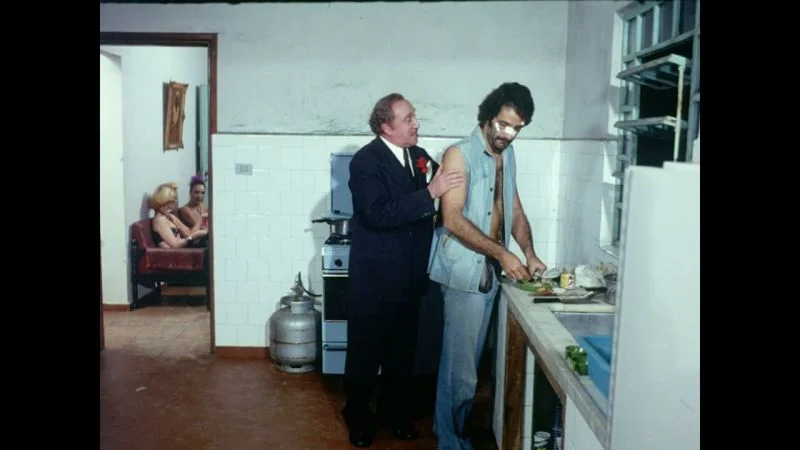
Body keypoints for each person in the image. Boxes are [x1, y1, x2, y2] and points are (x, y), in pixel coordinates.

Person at [427, 82, 547, 450]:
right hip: (465, 272)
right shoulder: (459, 155)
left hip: (490, 272)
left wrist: (529, 252)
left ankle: (452, 433)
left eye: (516, 128)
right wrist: (503, 254)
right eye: (502, 124)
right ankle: (450, 441)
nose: (508, 134)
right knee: (460, 371)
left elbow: (514, 209)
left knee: (468, 366)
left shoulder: (507, 156)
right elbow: (452, 219)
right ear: (487, 116)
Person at [343, 93, 464, 448]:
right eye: (408, 118)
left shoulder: (418, 155)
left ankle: (394, 414)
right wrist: (431, 192)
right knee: (366, 354)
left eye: (414, 116)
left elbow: (440, 189)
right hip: (375, 281)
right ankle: (357, 416)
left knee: (401, 353)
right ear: (386, 127)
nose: (416, 123)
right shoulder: (366, 162)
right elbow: (378, 214)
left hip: (411, 277)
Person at [150, 182, 208, 249]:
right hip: (179, 252)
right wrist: (194, 236)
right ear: (165, 201)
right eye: (173, 200)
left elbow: (187, 233)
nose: (175, 203)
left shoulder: (169, 216)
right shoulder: (159, 219)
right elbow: (175, 244)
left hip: (185, 247)